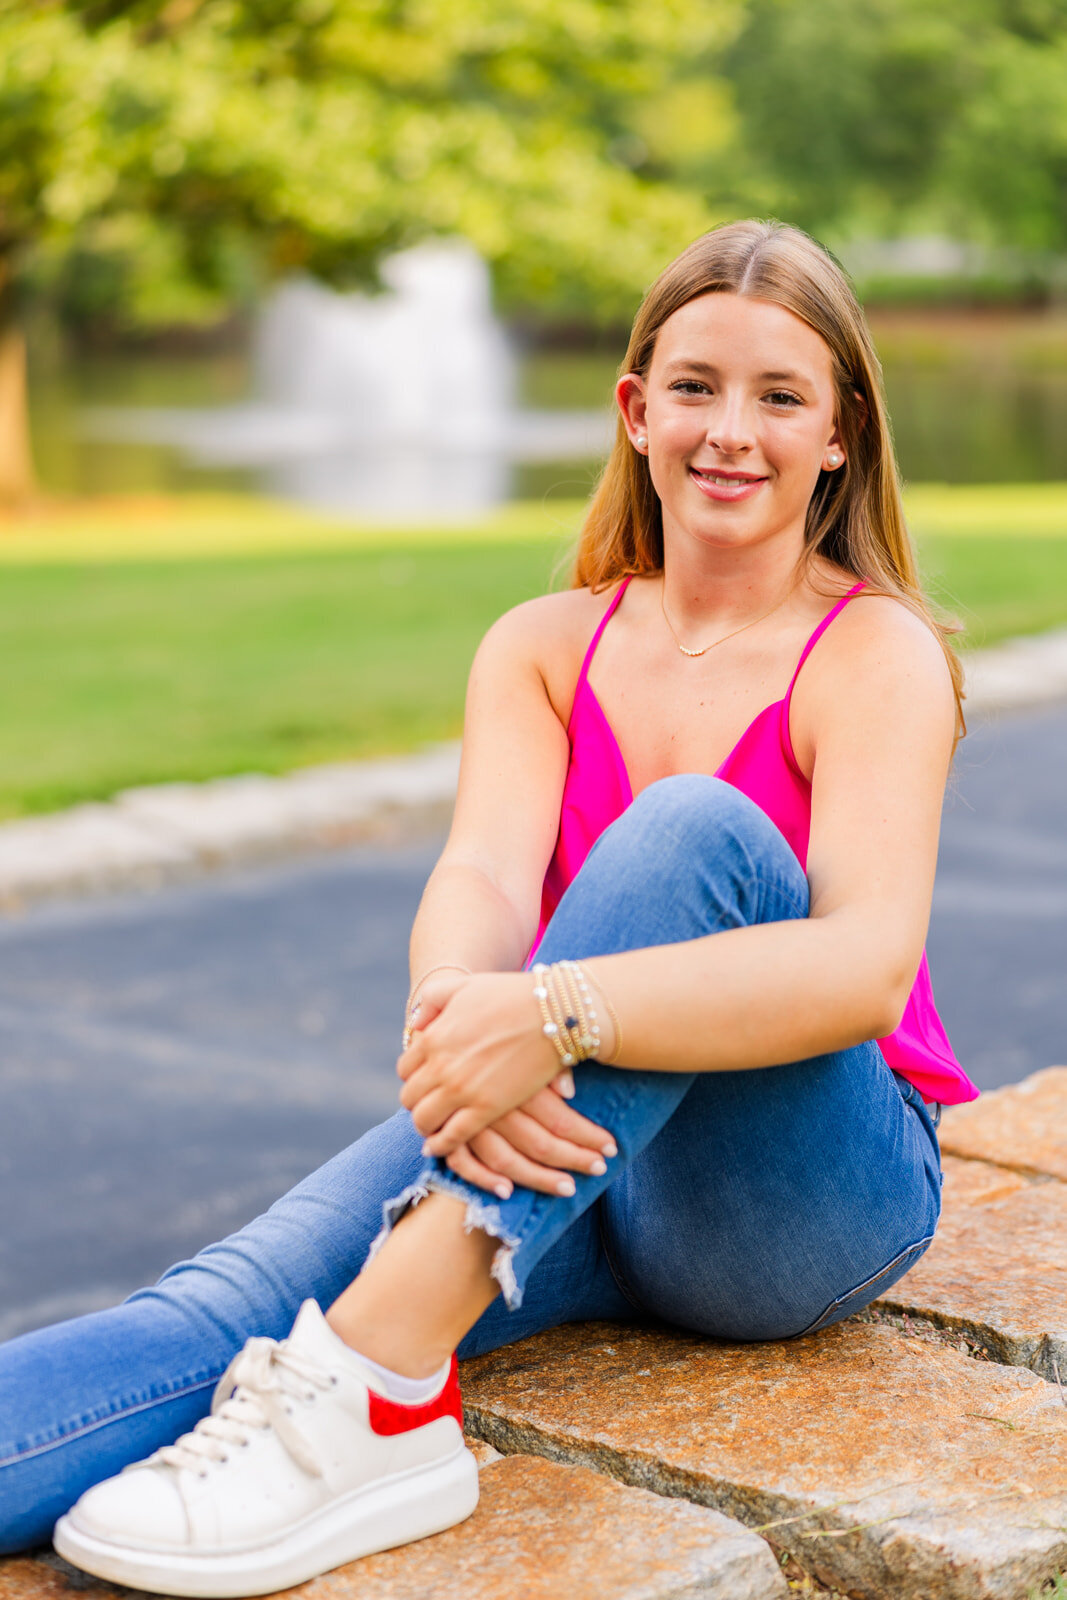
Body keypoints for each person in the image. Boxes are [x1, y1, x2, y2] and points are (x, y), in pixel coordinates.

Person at [0, 218, 978, 1597]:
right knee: (224, 1302)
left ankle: (382, 1386)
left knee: (693, 828)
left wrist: (546, 1006)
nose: (730, 432)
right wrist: (459, 1022)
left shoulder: (873, 651)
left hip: (801, 1194)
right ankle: (360, 1369)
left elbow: (865, 970)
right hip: (574, 1149)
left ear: (840, 434)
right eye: (694, 388)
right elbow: (479, 879)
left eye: (780, 396)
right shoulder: (539, 645)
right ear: (634, 409)